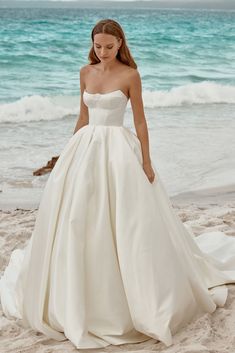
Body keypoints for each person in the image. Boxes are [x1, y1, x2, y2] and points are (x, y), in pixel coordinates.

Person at [1, 18, 235, 350]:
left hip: (118, 153)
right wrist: (66, 155)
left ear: (120, 44)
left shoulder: (130, 76)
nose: (103, 52)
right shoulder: (85, 72)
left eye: (109, 47)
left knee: (129, 221)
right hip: (85, 150)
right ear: (92, 44)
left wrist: (147, 160)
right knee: (76, 217)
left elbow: (140, 120)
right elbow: (82, 118)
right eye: (98, 46)